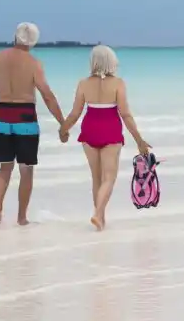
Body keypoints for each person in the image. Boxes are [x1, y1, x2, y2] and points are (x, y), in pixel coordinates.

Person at [0, 22, 66, 229]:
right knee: (26, 170)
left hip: (2, 115)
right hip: (25, 117)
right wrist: (62, 123)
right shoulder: (34, 63)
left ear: (15, 37)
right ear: (33, 42)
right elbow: (47, 95)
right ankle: (21, 217)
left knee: (5, 167)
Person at [59, 44, 152, 231]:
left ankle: (100, 218)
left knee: (96, 178)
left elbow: (75, 113)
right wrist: (139, 140)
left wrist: (64, 129)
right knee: (109, 177)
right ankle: (97, 213)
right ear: (112, 62)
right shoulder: (118, 83)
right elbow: (125, 114)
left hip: (90, 129)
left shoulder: (83, 83)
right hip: (110, 130)